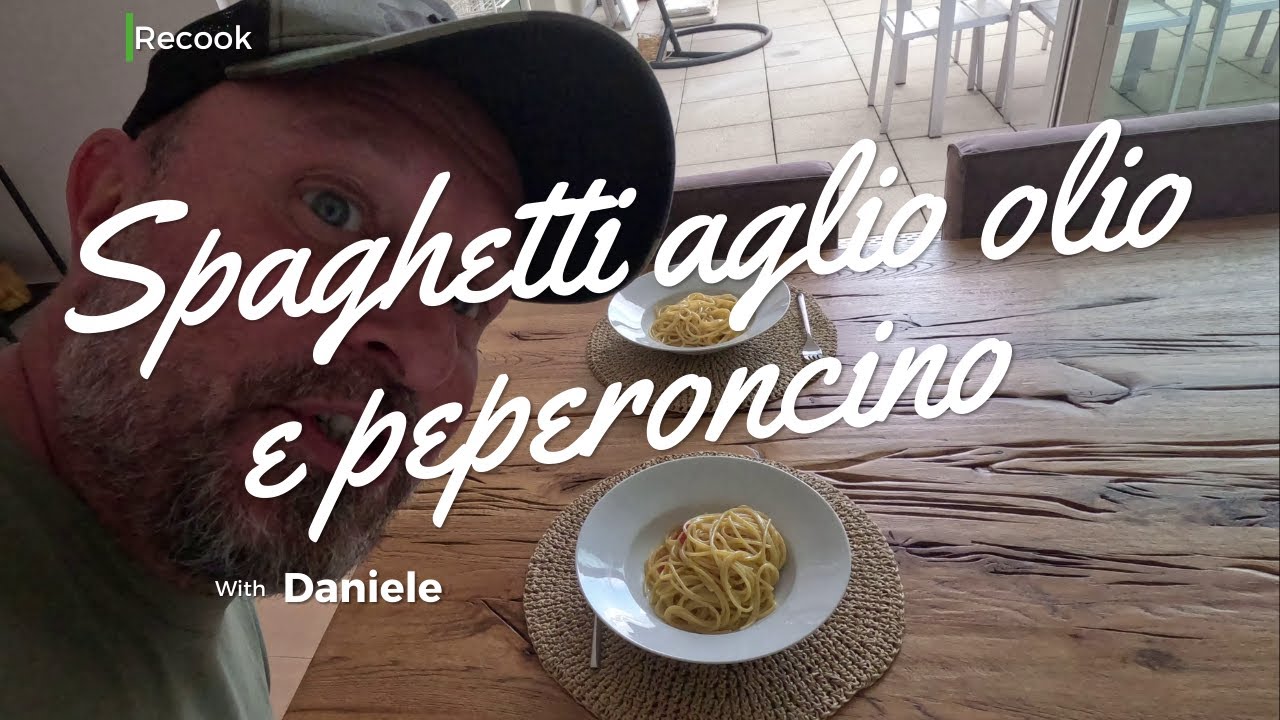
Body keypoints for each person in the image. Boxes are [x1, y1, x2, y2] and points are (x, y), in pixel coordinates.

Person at [0, 0, 674, 717]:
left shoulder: (173, 535)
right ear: (111, 208)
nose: (422, 358)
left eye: (469, 297)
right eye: (334, 210)